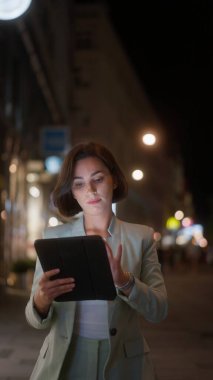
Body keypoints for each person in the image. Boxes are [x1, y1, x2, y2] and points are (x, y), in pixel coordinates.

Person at [25, 141, 168, 380]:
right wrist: (41, 301)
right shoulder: (55, 237)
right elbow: (35, 320)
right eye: (79, 184)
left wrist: (125, 282)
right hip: (66, 358)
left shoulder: (141, 237)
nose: (90, 190)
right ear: (72, 191)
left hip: (124, 362)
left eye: (98, 179)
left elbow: (159, 310)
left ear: (114, 179)